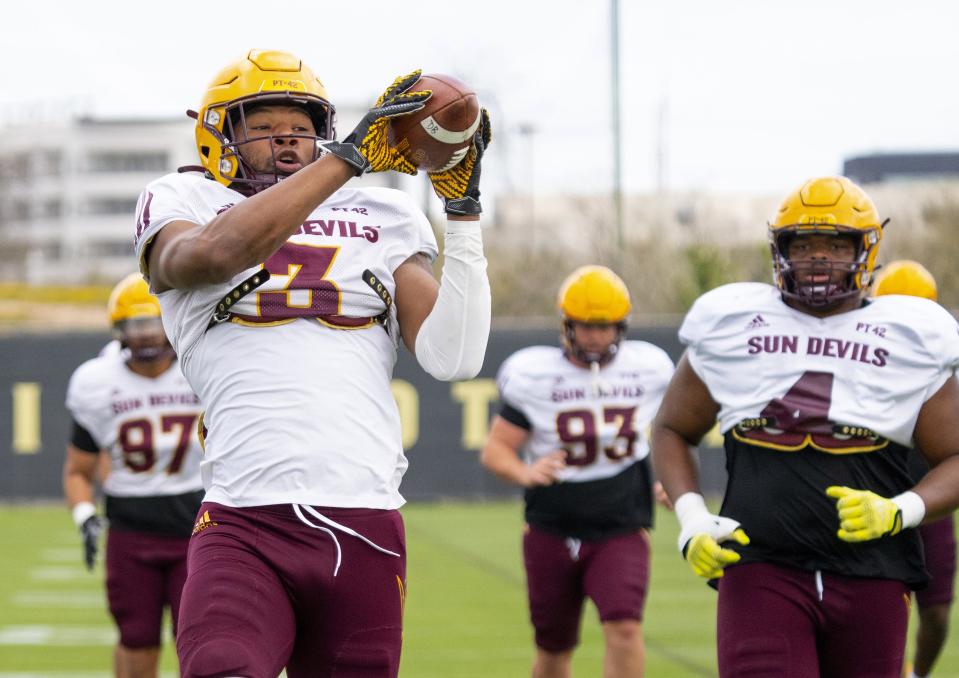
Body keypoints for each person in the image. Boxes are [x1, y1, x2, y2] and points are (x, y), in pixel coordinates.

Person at [132, 49, 492, 677]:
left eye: (299, 129)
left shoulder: (386, 214)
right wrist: (346, 160)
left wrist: (462, 218)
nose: (287, 143)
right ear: (219, 133)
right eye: (265, 128)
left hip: (365, 519)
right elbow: (214, 255)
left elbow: (453, 358)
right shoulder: (184, 199)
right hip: (244, 520)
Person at [650, 176, 959, 678]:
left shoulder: (912, 334)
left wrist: (901, 509)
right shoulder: (733, 321)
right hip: (760, 562)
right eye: (804, 244)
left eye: (836, 245)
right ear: (779, 249)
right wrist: (692, 519)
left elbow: (954, 456)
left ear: (866, 250)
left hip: (873, 571)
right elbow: (671, 429)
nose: (818, 258)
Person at [481, 265, 674, 678]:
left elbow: (678, 428)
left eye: (604, 327)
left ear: (621, 326)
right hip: (551, 525)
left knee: (624, 627)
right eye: (585, 326)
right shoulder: (535, 374)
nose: (594, 336)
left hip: (621, 523)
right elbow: (497, 449)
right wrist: (525, 472)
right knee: (553, 649)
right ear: (567, 324)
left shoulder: (649, 368)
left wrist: (676, 482)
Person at [63, 273, 204, 678]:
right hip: (130, 529)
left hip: (195, 526)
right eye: (134, 325)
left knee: (198, 641)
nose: (145, 335)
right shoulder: (97, 382)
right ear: (118, 330)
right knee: (137, 637)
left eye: (153, 322)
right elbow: (78, 470)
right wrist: (85, 516)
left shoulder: (202, 366)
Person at [873, 260, 957, 678]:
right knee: (876, 607)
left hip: (929, 494)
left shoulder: (946, 352)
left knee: (938, 614)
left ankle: (915, 676)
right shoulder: (862, 352)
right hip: (871, 494)